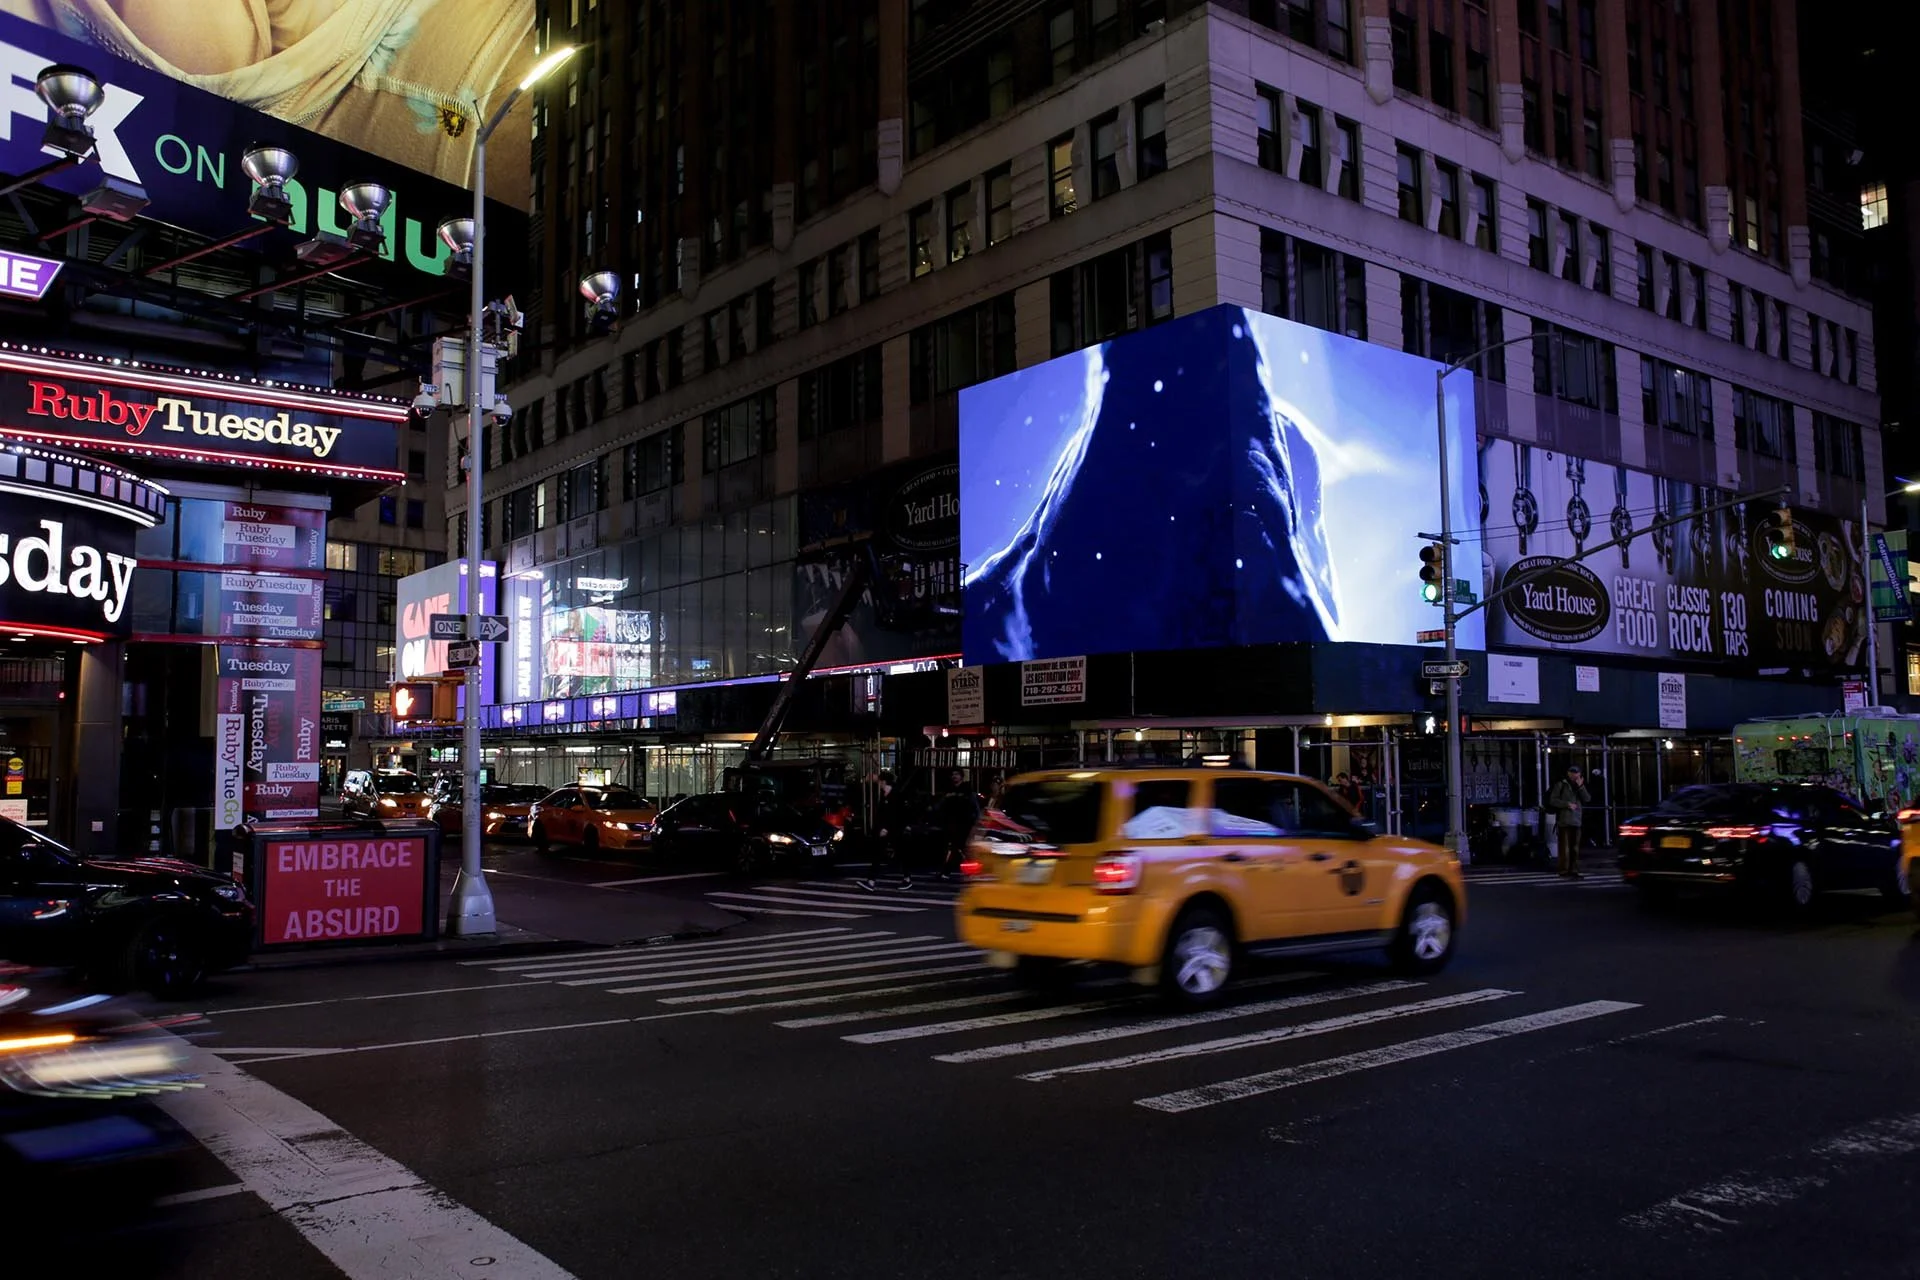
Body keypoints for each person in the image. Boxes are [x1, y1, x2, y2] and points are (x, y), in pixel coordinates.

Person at [1547, 765, 1590, 878]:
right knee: (1564, 848)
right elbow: (1553, 800)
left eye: (1576, 773)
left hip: (1577, 820)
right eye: (1572, 773)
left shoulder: (1580, 786)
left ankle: (1574, 869)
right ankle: (1564, 870)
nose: (1574, 775)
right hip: (1564, 820)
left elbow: (1587, 799)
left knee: (1575, 848)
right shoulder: (1561, 784)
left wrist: (1581, 786)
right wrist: (1566, 804)